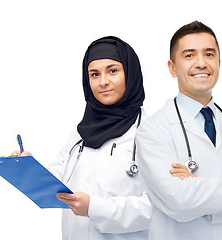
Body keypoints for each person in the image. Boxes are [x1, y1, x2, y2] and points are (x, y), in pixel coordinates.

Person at [135, 21, 222, 240]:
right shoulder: (152, 130)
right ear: (172, 68)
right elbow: (179, 201)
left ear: (219, 63)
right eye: (189, 55)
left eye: (209, 54)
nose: (201, 63)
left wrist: (196, 188)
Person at [12, 36, 158, 240]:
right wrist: (27, 168)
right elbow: (57, 183)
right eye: (94, 74)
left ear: (130, 74)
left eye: (113, 71)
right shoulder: (80, 134)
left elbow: (158, 208)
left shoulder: (153, 135)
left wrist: (94, 208)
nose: (103, 81)